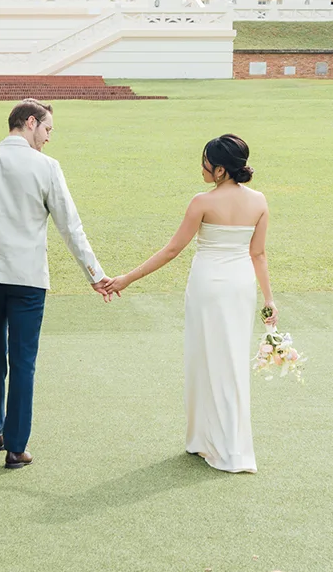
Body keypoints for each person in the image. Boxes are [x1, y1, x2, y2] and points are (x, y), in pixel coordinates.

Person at [101, 134, 273, 473]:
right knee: (232, 361)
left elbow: (171, 250)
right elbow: (258, 254)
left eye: (206, 162)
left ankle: (209, 442)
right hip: (241, 286)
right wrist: (269, 300)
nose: (202, 167)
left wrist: (125, 279)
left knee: (205, 359)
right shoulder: (260, 201)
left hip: (209, 286)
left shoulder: (202, 202)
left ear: (221, 170)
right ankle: (219, 443)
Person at [0, 98, 114, 469]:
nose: (48, 138)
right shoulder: (47, 168)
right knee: (23, 361)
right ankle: (16, 447)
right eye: (47, 130)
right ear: (30, 122)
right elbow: (70, 226)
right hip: (28, 280)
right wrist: (95, 275)